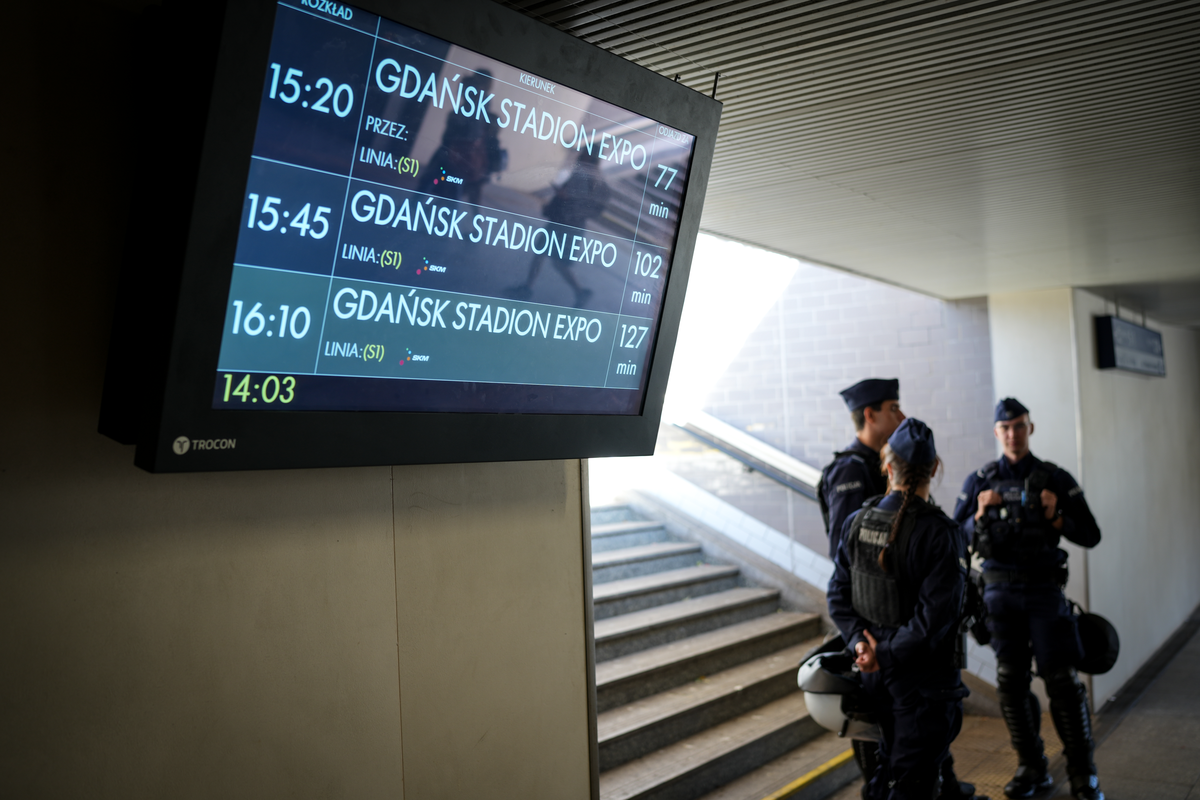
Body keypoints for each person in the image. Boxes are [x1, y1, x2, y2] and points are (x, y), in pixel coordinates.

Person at [953, 399, 1103, 800]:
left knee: (1063, 681)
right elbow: (953, 538)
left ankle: (1083, 773)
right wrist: (978, 515)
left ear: (1030, 428)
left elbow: (1091, 534)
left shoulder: (1054, 477)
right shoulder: (979, 481)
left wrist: (1057, 517)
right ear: (996, 432)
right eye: (1005, 428)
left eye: (1019, 426)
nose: (1012, 434)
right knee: (1010, 680)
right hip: (999, 595)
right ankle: (1031, 767)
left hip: (1043, 591)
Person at [828, 418, 972, 800]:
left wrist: (861, 645)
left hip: (873, 676)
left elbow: (838, 595)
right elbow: (934, 620)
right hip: (924, 685)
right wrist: (886, 654)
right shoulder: (941, 533)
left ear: (886, 467)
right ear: (934, 468)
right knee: (912, 785)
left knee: (887, 772)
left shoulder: (856, 521)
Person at [819, 378, 905, 561]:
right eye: (893, 409)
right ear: (870, 415)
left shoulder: (878, 461)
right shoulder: (849, 470)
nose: (902, 417)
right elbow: (844, 547)